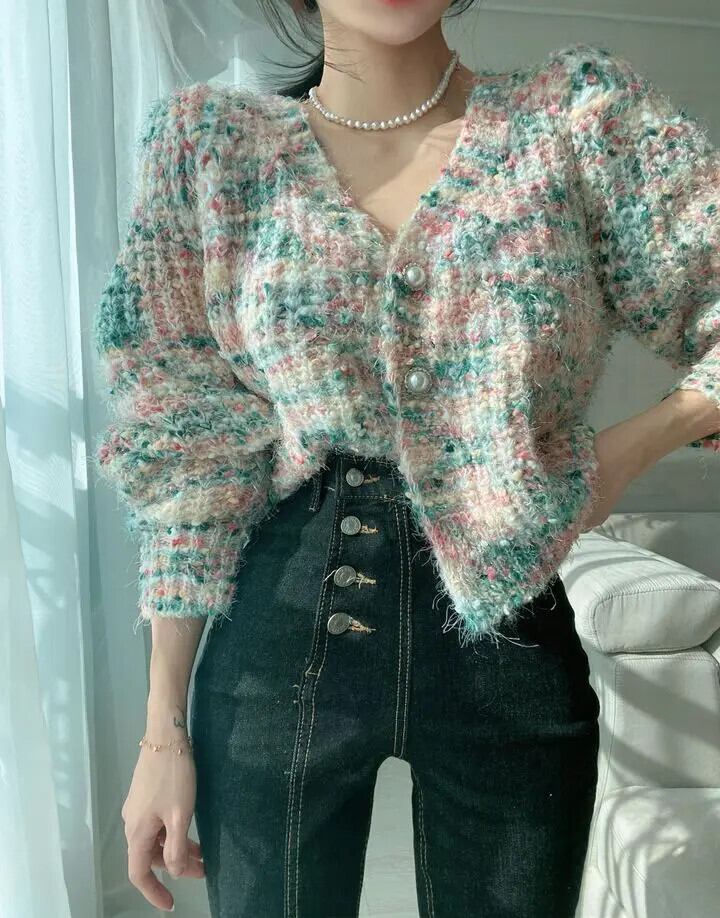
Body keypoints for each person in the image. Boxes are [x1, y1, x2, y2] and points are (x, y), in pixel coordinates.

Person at [92, 1, 720, 915]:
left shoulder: (576, 122)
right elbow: (184, 445)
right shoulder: (211, 148)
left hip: (509, 644)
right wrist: (162, 733)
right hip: (276, 644)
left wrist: (621, 454)